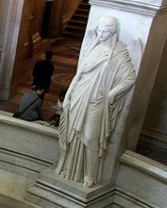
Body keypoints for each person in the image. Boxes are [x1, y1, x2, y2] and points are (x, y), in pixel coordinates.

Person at [56, 17, 136, 187]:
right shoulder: (94, 49)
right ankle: (71, 169)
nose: (100, 34)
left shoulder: (119, 53)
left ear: (113, 31)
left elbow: (130, 77)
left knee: (91, 137)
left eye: (104, 31)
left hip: (98, 100)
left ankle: (90, 175)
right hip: (80, 95)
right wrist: (68, 96)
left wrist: (113, 93)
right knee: (73, 134)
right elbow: (79, 75)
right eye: (98, 30)